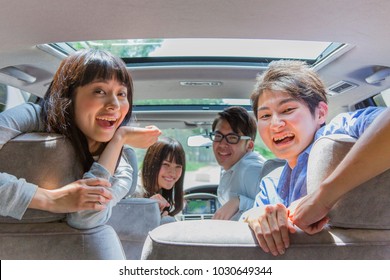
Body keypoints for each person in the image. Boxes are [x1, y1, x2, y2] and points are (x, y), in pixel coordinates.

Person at [0, 49, 161, 229]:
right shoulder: (34, 115)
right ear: (69, 95)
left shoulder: (122, 169)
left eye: (122, 94)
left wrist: (119, 139)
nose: (114, 105)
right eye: (99, 91)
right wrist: (50, 199)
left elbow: (85, 219)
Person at [242, 60, 388, 256]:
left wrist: (322, 198)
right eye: (265, 116)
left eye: (287, 110)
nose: (275, 124)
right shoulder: (270, 183)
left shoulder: (337, 130)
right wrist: (253, 217)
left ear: (320, 113)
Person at [210, 106, 265, 220]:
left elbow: (275, 210)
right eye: (218, 136)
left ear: (249, 146)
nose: (222, 144)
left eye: (232, 138)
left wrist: (239, 202)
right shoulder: (233, 168)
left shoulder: (250, 169)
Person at [134, 137, 185, 217]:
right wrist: (147, 206)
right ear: (151, 163)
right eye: (166, 164)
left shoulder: (163, 192)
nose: (172, 172)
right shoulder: (134, 192)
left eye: (178, 166)